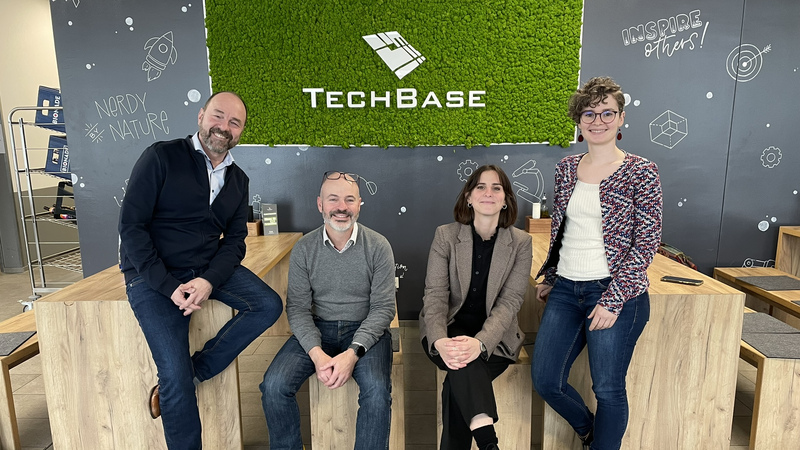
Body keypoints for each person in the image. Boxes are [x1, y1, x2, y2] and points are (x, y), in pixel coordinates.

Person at [119, 91, 283, 450]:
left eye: (234, 122)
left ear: (241, 132)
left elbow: (235, 242)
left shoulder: (238, 180)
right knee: (173, 376)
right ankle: (180, 381)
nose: (224, 126)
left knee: (268, 305)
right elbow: (131, 227)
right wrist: (167, 285)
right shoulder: (161, 156)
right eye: (218, 116)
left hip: (204, 268)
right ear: (201, 116)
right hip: (152, 275)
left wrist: (208, 280)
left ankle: (196, 372)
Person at [531, 77, 662, 450]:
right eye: (589, 113)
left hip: (614, 293)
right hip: (566, 290)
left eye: (607, 112)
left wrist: (613, 299)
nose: (598, 120)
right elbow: (562, 229)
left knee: (607, 388)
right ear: (579, 119)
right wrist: (552, 275)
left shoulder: (641, 171)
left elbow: (646, 242)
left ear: (621, 118)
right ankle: (592, 432)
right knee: (546, 380)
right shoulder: (566, 167)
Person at [259, 171, 396, 450]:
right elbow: (298, 308)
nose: (341, 207)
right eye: (333, 199)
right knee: (273, 386)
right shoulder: (304, 248)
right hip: (318, 327)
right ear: (320, 204)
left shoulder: (379, 246)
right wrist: (317, 354)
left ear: (359, 205)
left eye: (349, 200)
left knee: (377, 392)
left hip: (365, 330)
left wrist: (353, 353)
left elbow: (383, 308)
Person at [419, 165, 532, 450]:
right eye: (480, 186)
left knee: (457, 379)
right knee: (460, 359)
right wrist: (439, 340)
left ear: (506, 199)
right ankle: (488, 443)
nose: (488, 193)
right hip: (448, 331)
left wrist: (480, 343)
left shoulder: (521, 243)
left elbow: (510, 302)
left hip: (496, 339)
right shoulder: (445, 236)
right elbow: (435, 295)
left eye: (496, 188)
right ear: (468, 197)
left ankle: (487, 443)